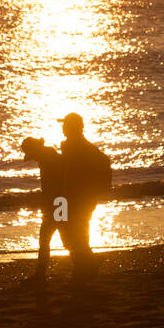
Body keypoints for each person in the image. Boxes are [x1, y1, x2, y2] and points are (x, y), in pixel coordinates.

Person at [57, 112, 110, 283]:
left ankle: (83, 267)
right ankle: (87, 264)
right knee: (69, 231)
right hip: (68, 198)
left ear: (74, 127)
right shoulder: (76, 146)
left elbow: (71, 174)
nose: (62, 128)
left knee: (74, 232)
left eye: (65, 125)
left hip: (74, 198)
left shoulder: (78, 147)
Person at [19, 136, 65, 284]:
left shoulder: (48, 157)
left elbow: (56, 184)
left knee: (58, 237)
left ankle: (86, 263)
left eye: (30, 153)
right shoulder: (46, 155)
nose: (31, 158)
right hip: (55, 203)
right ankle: (40, 274)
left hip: (58, 203)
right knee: (52, 237)